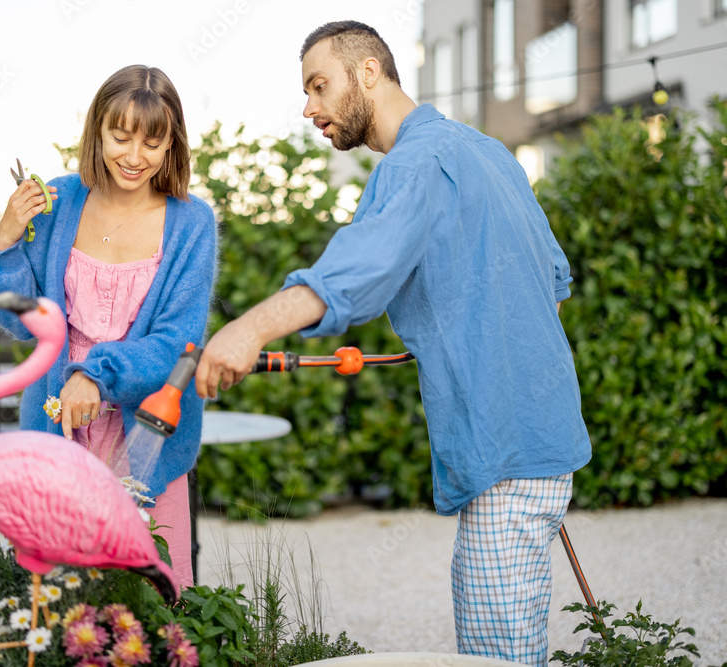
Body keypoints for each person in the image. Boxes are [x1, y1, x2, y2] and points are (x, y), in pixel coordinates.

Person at [194, 21, 590, 666]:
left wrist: (247, 329)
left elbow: (357, 270)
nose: (309, 108)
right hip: (544, 443)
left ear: (369, 72)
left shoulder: (416, 162)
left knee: (495, 659)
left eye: (319, 87)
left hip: (505, 450)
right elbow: (552, 282)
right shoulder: (487, 151)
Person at [0, 64, 216, 590]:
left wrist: (94, 374)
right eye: (120, 136)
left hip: (148, 436)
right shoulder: (58, 202)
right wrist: (7, 239)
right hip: (58, 427)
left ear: (172, 144)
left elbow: (176, 344)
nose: (134, 157)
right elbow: (11, 321)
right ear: (97, 131)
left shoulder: (191, 222)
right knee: (63, 597)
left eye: (153, 142)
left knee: (156, 597)